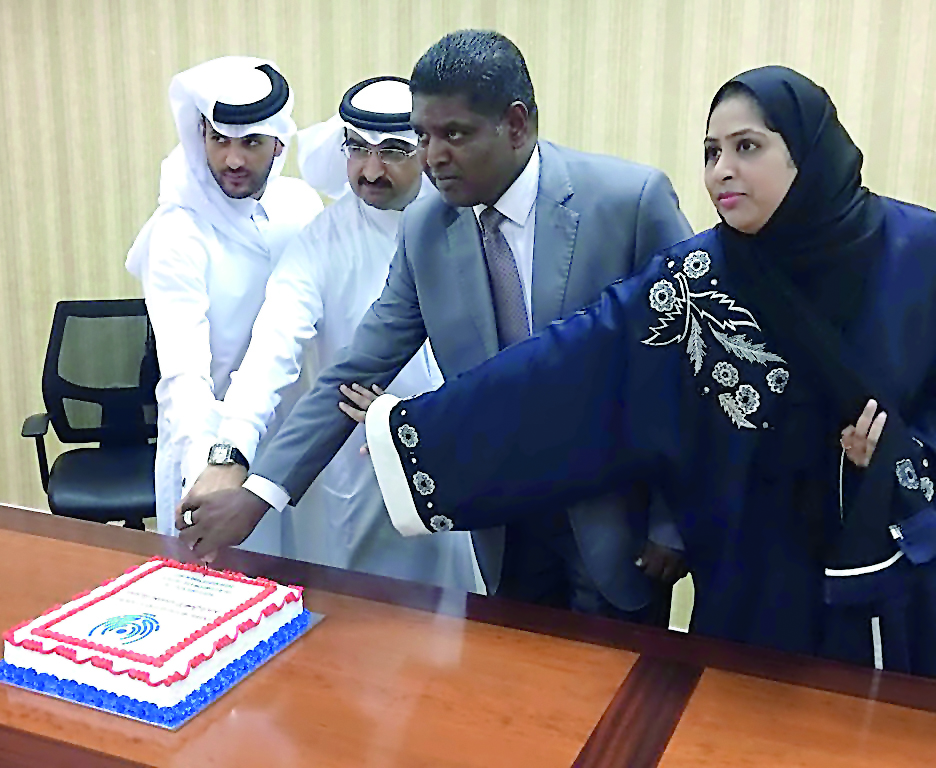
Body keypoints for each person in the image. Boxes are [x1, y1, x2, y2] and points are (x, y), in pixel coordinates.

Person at [363, 65, 936, 675]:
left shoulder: (916, 252)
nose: (723, 170)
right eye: (711, 152)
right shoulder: (697, 278)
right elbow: (572, 368)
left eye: (748, 147)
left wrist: (899, 451)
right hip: (749, 569)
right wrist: (417, 434)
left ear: (808, 150)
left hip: (900, 571)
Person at [177, 30, 692, 620]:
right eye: (421, 136)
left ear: (516, 125)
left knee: (621, 704)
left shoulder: (628, 202)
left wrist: (674, 521)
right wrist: (258, 493)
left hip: (617, 527)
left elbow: (689, 369)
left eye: (454, 135)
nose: (433, 156)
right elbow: (354, 369)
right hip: (504, 523)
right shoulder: (428, 227)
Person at [180, 76, 479, 590]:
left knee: (455, 620)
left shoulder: (468, 226)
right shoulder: (323, 239)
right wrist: (230, 452)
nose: (370, 170)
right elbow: (272, 347)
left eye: (392, 152)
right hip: (349, 463)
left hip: (455, 454)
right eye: (358, 149)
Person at [125, 57, 322, 539]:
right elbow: (183, 371)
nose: (233, 160)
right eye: (219, 140)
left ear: (279, 143)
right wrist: (208, 469)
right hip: (206, 441)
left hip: (290, 445)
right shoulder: (177, 232)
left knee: (307, 598)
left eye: (251, 142)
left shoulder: (301, 208)